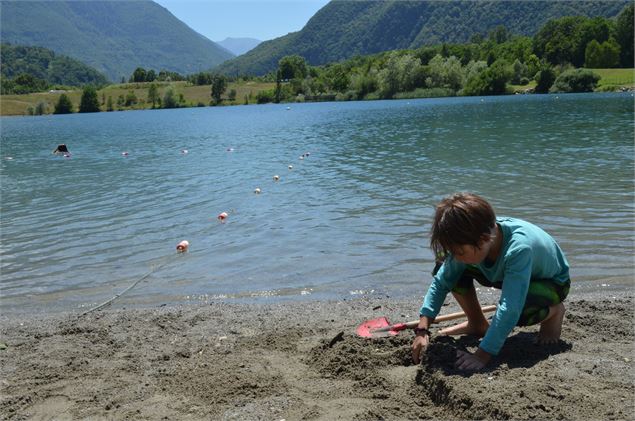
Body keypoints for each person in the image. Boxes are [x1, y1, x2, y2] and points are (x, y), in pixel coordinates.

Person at [411, 192, 570, 371]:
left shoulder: (518, 248)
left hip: (551, 283)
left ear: (484, 239)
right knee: (447, 269)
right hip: (508, 275)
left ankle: (554, 311)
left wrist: (481, 355)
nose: (455, 257)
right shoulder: (474, 237)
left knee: (519, 313)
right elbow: (441, 282)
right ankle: (477, 323)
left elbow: (509, 308)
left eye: (459, 252)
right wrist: (422, 329)